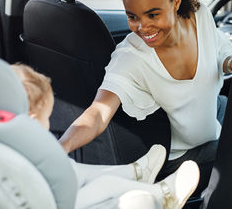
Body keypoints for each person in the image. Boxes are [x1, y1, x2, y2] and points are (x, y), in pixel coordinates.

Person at [59, 0, 232, 195]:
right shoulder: (132, 57)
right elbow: (98, 113)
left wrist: (230, 62)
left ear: (176, 2)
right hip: (185, 157)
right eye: (132, 17)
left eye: (153, 14)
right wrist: (60, 148)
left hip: (214, 119)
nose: (142, 28)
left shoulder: (200, 15)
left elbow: (218, 47)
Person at [11, 63, 200, 209]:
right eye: (46, 117)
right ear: (33, 119)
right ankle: (165, 196)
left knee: (69, 166)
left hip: (44, 196)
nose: (48, 124)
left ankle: (135, 174)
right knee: (105, 185)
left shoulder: (8, 142)